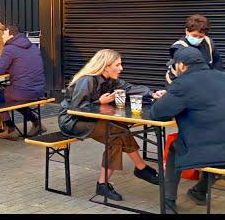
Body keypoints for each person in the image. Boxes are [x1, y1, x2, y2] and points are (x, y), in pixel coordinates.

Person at [57, 49, 165, 201]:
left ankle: (105, 184)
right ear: (106, 66)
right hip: (72, 121)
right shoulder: (87, 80)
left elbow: (130, 88)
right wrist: (99, 102)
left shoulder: (112, 80)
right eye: (118, 64)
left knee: (118, 130)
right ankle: (140, 168)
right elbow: (76, 109)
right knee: (115, 133)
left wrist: (152, 94)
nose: (121, 68)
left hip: (91, 119)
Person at [149, 47, 225, 213]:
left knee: (175, 147)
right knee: (215, 145)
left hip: (211, 150)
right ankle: (199, 191)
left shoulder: (182, 83)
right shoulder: (224, 77)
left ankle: (168, 201)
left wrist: (167, 98)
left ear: (182, 65)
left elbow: (157, 114)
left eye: (174, 66)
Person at [0, 25, 47, 138]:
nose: (2, 37)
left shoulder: (10, 48)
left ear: (11, 35)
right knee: (15, 100)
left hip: (24, 90)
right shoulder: (32, 46)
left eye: (4, 34)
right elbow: (21, 65)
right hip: (39, 90)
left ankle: (10, 130)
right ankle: (36, 122)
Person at [166, 14, 223, 85]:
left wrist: (216, 78)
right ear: (187, 31)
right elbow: (184, 73)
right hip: (179, 83)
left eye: (200, 36)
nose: (197, 39)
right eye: (194, 35)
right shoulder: (179, 47)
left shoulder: (208, 42)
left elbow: (217, 61)